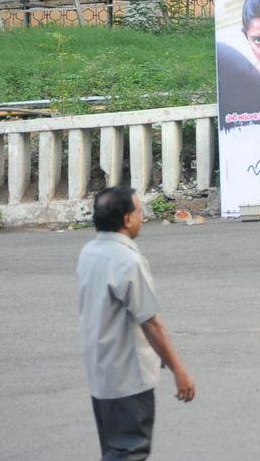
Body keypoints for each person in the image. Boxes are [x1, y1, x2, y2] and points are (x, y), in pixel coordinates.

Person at [76, 186, 195, 460]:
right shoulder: (127, 261)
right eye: (139, 212)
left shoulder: (89, 252)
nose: (142, 217)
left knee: (114, 449)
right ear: (127, 219)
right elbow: (150, 322)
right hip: (127, 377)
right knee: (129, 451)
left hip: (101, 374)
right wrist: (179, 371)